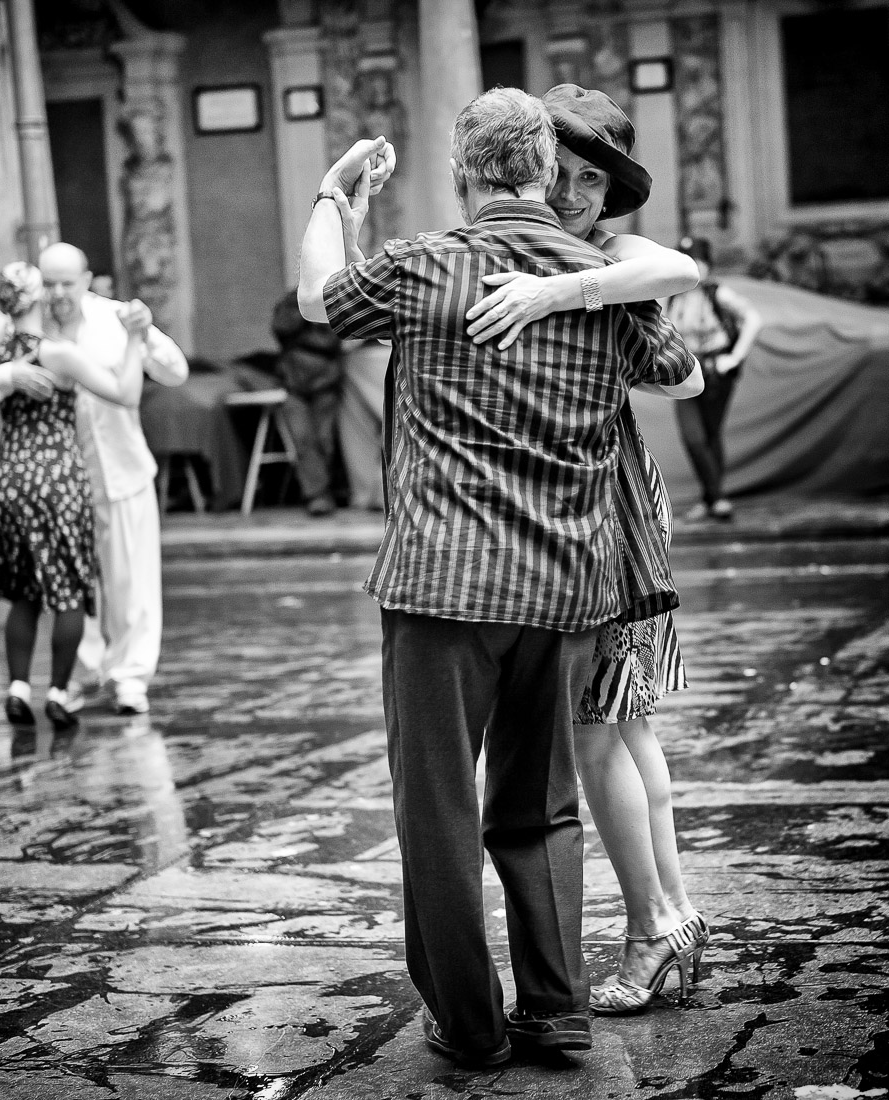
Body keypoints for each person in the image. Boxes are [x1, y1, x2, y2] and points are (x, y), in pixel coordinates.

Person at [299, 92, 698, 1068]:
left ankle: (471, 1026)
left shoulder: (425, 263)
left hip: (443, 583)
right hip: (566, 587)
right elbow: (678, 366)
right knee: (542, 805)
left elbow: (317, 297)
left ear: (463, 173)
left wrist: (333, 196)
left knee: (436, 811)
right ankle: (554, 1010)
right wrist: (588, 286)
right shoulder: (605, 282)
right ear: (544, 171)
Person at [462, 84, 712, 1015]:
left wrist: (562, 291)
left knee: (595, 727)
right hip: (579, 505)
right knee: (625, 725)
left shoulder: (613, 256)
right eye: (559, 171)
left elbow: (685, 363)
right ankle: (673, 917)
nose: (571, 194)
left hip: (602, 510)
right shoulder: (529, 247)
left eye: (592, 179)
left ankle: (653, 927)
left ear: (611, 193)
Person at [0, 244, 189, 716]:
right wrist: (6, 369)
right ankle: (81, 674)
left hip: (123, 469)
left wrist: (143, 332)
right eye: (49, 283)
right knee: (68, 584)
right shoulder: (25, 326)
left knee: (131, 585)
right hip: (61, 484)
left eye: (67, 283)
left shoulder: (115, 317)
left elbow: (175, 372)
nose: (57, 293)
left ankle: (129, 679)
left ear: (86, 280)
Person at [0, 261, 145, 731]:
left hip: (11, 480)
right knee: (69, 593)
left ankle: (18, 688)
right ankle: (59, 693)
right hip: (58, 480)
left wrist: (4, 376)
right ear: (38, 297)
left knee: (23, 594)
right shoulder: (56, 353)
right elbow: (125, 392)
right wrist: (134, 341)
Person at [665, 236, 762, 521]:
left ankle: (712, 499)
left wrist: (735, 357)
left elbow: (753, 319)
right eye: (687, 261)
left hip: (715, 371)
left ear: (708, 265)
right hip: (686, 372)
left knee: (710, 434)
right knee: (693, 437)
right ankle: (716, 498)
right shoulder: (674, 295)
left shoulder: (717, 294)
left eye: (698, 261)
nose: (694, 267)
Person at [270, 288, 344, 516]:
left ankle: (325, 491)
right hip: (294, 386)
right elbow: (282, 327)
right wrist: (300, 307)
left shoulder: (332, 299)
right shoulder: (291, 301)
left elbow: (335, 338)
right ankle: (317, 495)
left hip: (325, 384)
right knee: (302, 439)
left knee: (324, 439)